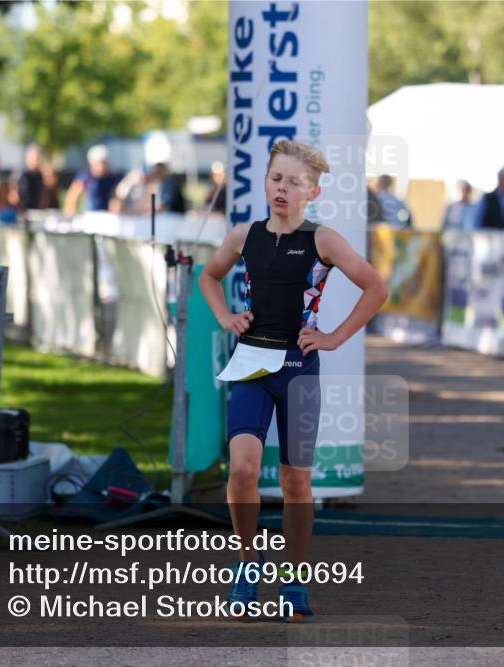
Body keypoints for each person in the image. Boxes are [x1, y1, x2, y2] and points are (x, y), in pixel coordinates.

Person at [198, 140, 387, 622]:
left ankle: (294, 578)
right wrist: (225, 316)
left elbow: (375, 287)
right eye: (276, 178)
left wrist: (334, 337)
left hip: (299, 369)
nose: (282, 188)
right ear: (265, 182)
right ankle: (247, 564)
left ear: (313, 192)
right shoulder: (244, 235)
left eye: (294, 182)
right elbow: (209, 277)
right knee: (242, 470)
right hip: (252, 365)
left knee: (296, 479)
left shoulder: (323, 240)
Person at [63, 145, 123, 215]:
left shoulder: (112, 178)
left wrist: (115, 212)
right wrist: (72, 214)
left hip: (106, 216)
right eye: (98, 164)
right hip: (89, 215)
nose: (101, 167)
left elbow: (116, 199)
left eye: (104, 163)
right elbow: (72, 197)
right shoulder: (85, 177)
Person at [15, 144, 45, 211]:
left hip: (35, 211)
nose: (40, 161)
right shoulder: (21, 174)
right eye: (38, 158)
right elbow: (16, 196)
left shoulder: (39, 175)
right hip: (23, 211)